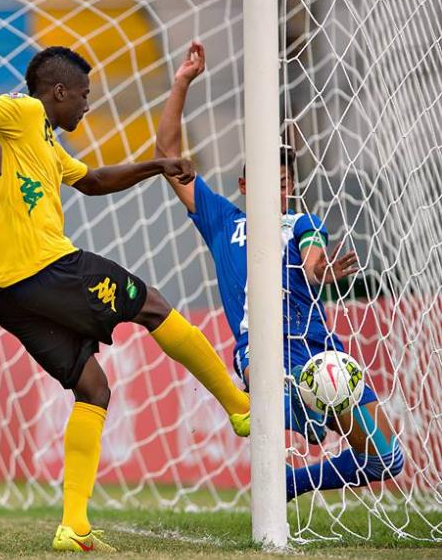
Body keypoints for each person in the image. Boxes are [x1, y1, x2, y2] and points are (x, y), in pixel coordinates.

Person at [0, 45, 251, 552]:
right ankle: (238, 405)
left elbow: (93, 182)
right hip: (46, 268)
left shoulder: (47, 141)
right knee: (150, 304)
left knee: (93, 390)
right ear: (58, 92)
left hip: (5, 293)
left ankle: (73, 527)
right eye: (83, 95)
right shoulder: (25, 111)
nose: (87, 105)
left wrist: (156, 166)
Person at [157, 42, 403, 501]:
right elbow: (168, 155)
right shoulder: (224, 221)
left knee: (387, 458)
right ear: (245, 186)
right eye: (272, 177)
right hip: (266, 357)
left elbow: (312, 258)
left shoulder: (302, 224)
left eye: (288, 179)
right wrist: (181, 83)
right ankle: (295, 412)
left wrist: (321, 270)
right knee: (297, 405)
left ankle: (286, 484)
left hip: (320, 352)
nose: (282, 185)